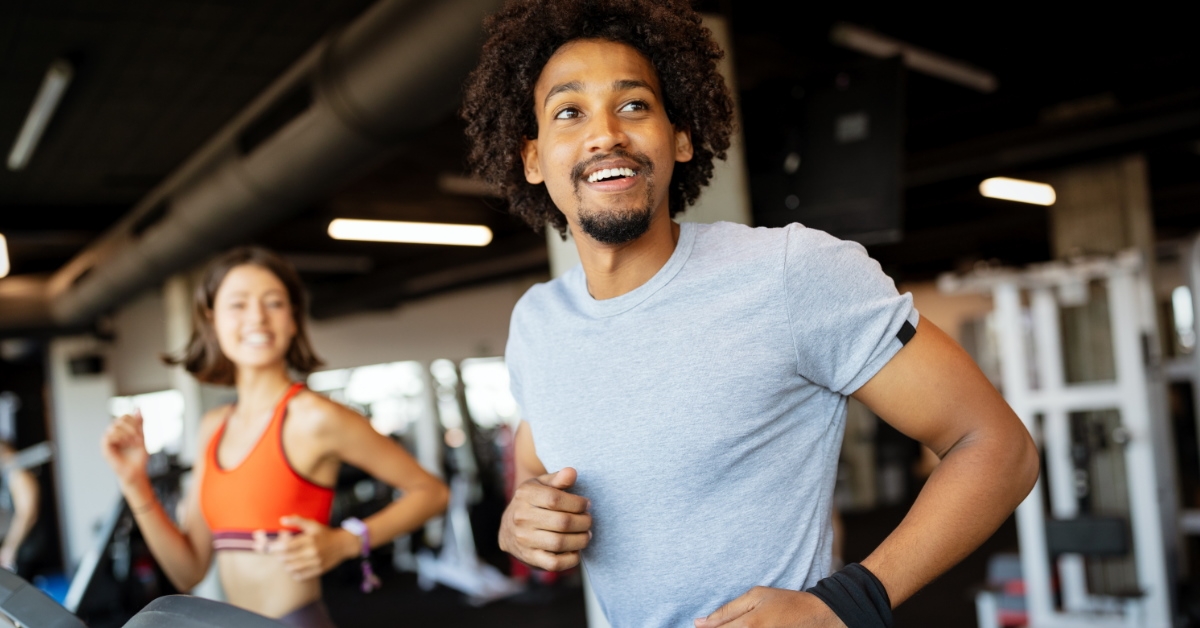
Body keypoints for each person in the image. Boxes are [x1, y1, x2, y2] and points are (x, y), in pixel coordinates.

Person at [460, 1, 1040, 627]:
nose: (606, 133)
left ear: (679, 138)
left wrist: (844, 605)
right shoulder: (537, 324)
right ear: (531, 158)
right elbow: (534, 462)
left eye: (634, 105)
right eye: (568, 112)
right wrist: (522, 515)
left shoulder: (789, 273)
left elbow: (999, 447)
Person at [101, 247, 448, 628]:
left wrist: (347, 542)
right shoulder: (212, 427)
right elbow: (188, 571)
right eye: (238, 304)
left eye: (274, 303)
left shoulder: (315, 417)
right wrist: (135, 483)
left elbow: (431, 492)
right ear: (211, 319)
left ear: (293, 319)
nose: (257, 317)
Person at [0, 440, 39, 576]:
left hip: (27, 552)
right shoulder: (8, 477)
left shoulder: (19, 475)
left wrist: (10, 548)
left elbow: (27, 513)